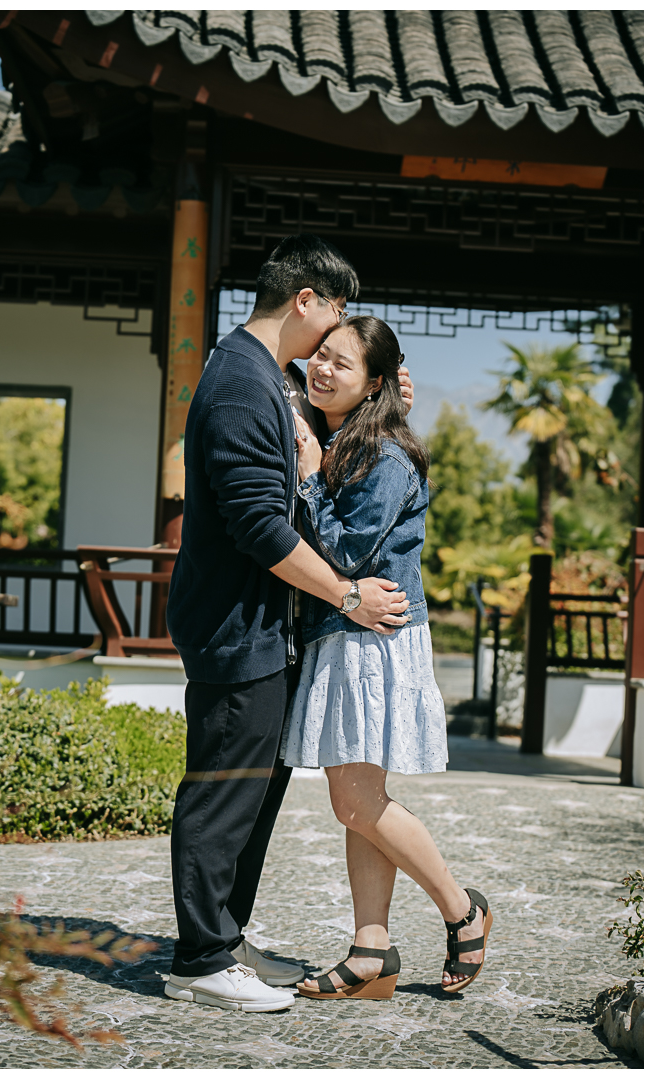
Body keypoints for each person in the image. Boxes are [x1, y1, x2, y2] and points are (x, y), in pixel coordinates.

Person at [164, 235, 415, 1013]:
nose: (335, 332)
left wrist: (385, 398)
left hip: (266, 632)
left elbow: (327, 450)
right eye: (336, 311)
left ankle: (227, 937)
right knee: (222, 794)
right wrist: (347, 597)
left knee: (255, 795)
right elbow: (261, 527)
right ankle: (201, 958)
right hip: (235, 627)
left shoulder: (262, 377)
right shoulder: (241, 380)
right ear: (306, 300)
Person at [283, 314, 493, 1001]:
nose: (321, 369)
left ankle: (463, 909)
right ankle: (370, 950)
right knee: (359, 802)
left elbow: (347, 554)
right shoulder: (347, 437)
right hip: (347, 634)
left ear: (374, 383)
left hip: (373, 639)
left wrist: (312, 476)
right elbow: (285, 374)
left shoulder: (386, 456)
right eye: (319, 356)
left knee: (355, 801)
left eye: (341, 364)